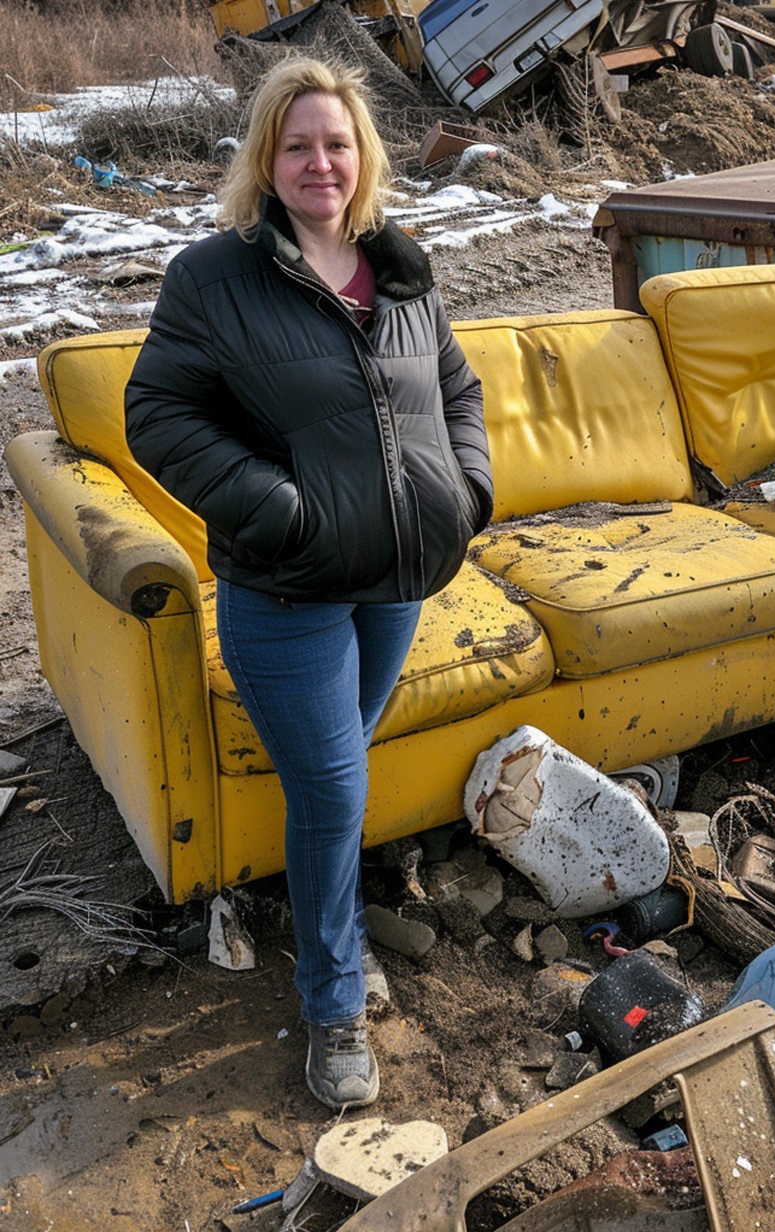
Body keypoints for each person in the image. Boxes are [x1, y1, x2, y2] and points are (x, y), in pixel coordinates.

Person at [125, 55, 493, 1111]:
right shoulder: (215, 276)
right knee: (334, 787)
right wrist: (277, 507)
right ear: (266, 159)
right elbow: (158, 413)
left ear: (364, 154)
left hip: (397, 578)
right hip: (285, 585)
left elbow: (456, 386)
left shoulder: (404, 269)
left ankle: (317, 917)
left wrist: (466, 488)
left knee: (335, 780)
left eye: (336, 143)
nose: (319, 162)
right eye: (297, 145)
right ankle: (334, 1002)